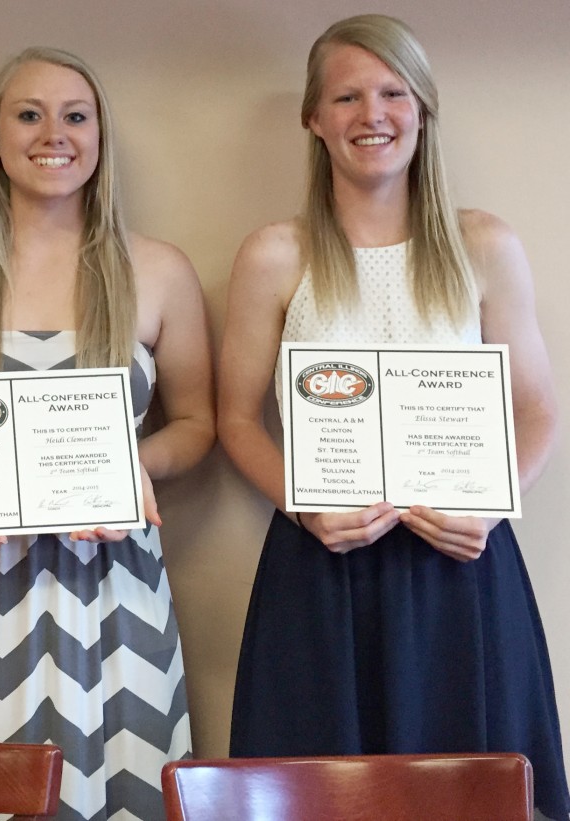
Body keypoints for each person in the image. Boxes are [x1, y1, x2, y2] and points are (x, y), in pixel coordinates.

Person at [218, 14, 569, 820]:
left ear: (423, 108)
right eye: (345, 96)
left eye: (391, 93)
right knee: (319, 791)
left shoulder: (483, 244)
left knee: (473, 793)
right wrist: (306, 505)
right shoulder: (275, 253)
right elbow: (238, 419)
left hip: (460, 564)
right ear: (313, 117)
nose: (370, 114)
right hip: (323, 569)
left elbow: (538, 406)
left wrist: (491, 499)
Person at [0, 46, 214, 820]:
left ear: (99, 138)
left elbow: (197, 424)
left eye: (74, 115)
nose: (51, 133)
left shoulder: (156, 270)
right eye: (28, 114)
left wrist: (134, 462)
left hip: (117, 591)